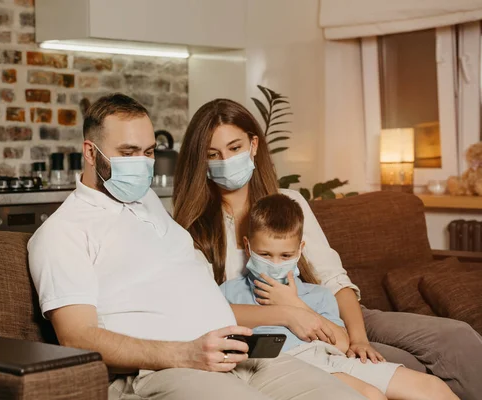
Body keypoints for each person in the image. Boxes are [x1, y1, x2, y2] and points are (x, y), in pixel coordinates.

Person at [27, 93, 364, 400]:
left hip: (238, 357)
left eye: (148, 153)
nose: (141, 164)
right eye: (128, 153)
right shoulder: (63, 232)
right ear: (90, 152)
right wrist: (183, 353)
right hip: (167, 370)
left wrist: (287, 315)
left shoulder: (149, 205)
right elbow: (76, 337)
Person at [172, 98, 482, 400]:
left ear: (253, 146)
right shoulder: (195, 227)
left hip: (331, 309)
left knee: (456, 337)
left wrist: (357, 338)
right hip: (290, 330)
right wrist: (287, 312)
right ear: (203, 162)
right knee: (398, 367)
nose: (226, 161)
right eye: (213, 154)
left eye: (234, 148)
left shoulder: (289, 202)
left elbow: (334, 280)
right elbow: (207, 308)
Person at [221, 193, 458, 400]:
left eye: (285, 255)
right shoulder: (230, 292)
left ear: (300, 250)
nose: (274, 264)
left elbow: (342, 344)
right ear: (248, 246)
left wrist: (295, 304)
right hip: (285, 364)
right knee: (370, 395)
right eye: (264, 254)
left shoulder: (318, 294)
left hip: (331, 359)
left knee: (433, 388)